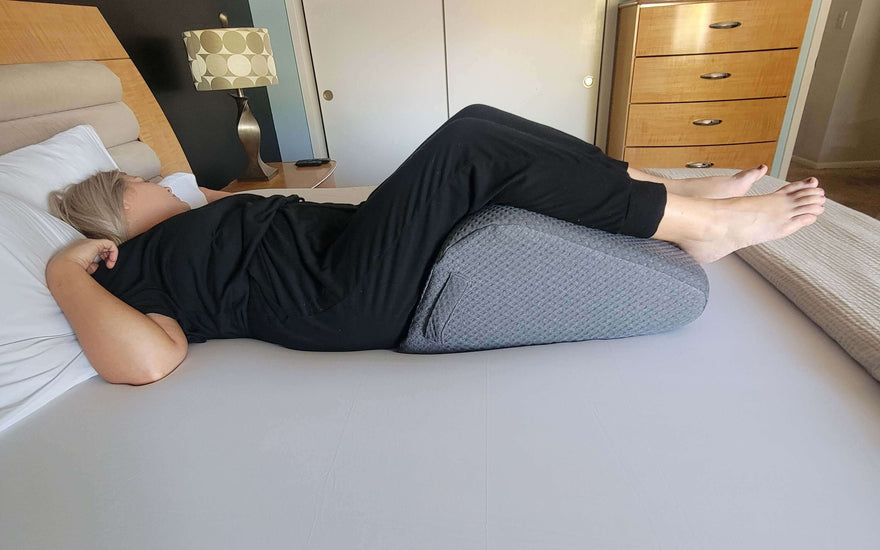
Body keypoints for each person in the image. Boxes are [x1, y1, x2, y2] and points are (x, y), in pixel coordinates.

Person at [46, 104, 825, 386]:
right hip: (340, 294)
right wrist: (63, 270)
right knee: (469, 146)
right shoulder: (130, 270)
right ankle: (702, 224)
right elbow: (148, 362)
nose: (160, 180)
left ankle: (673, 197)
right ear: (115, 212)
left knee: (479, 123)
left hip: (350, 243)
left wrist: (204, 198)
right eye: (135, 180)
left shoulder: (191, 218)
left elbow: (221, 200)